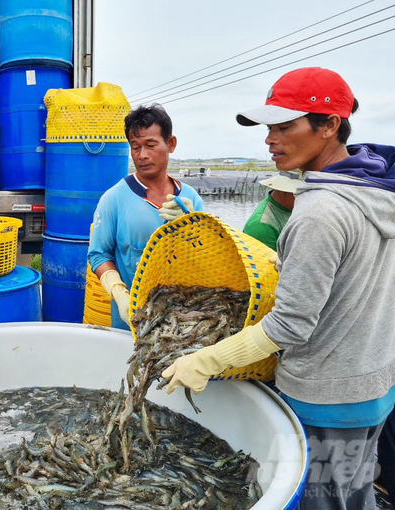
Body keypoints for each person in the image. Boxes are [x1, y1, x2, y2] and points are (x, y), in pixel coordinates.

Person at [161, 67, 395, 509]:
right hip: (374, 387)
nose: (270, 139)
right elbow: (346, 271)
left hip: (325, 398)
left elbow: (289, 325)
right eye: (269, 127)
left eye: (285, 126)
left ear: (329, 125)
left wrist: (207, 359)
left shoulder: (319, 212)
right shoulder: (375, 191)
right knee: (356, 496)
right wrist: (270, 253)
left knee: (319, 503)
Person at [88, 105, 204, 331]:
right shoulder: (114, 198)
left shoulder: (191, 200)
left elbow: (207, 256)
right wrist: (119, 293)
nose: (142, 155)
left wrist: (195, 226)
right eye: (135, 147)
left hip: (185, 319)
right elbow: (98, 255)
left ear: (170, 144)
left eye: (150, 145)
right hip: (133, 319)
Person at [242, 171, 301, 250]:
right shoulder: (262, 225)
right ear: (283, 190)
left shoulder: (293, 208)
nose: (306, 198)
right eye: (301, 193)